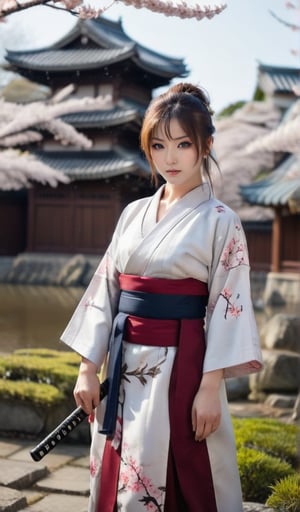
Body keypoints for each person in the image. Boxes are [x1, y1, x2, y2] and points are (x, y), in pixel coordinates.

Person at [60, 82, 263, 512]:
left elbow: (229, 307)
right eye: (158, 145)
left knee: (182, 464)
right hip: (123, 360)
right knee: (120, 464)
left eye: (183, 144)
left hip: (183, 365)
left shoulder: (221, 221)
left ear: (205, 145)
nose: (169, 158)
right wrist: (87, 366)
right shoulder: (133, 214)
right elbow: (107, 290)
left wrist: (210, 386)